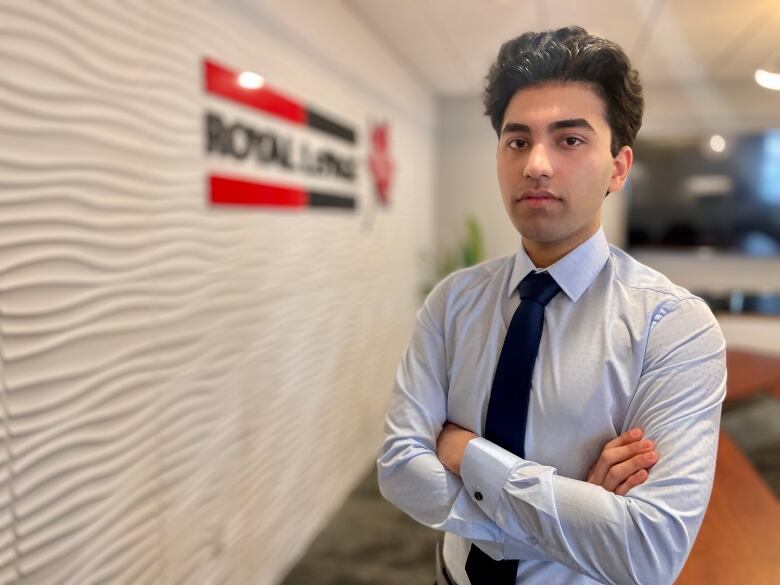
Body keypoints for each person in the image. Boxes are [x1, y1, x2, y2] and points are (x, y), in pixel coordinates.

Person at [377, 26, 726, 585]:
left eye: (569, 140)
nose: (536, 163)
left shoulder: (673, 326)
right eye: (517, 141)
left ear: (618, 166)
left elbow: (649, 552)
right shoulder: (454, 302)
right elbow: (400, 467)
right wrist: (573, 510)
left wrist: (469, 456)